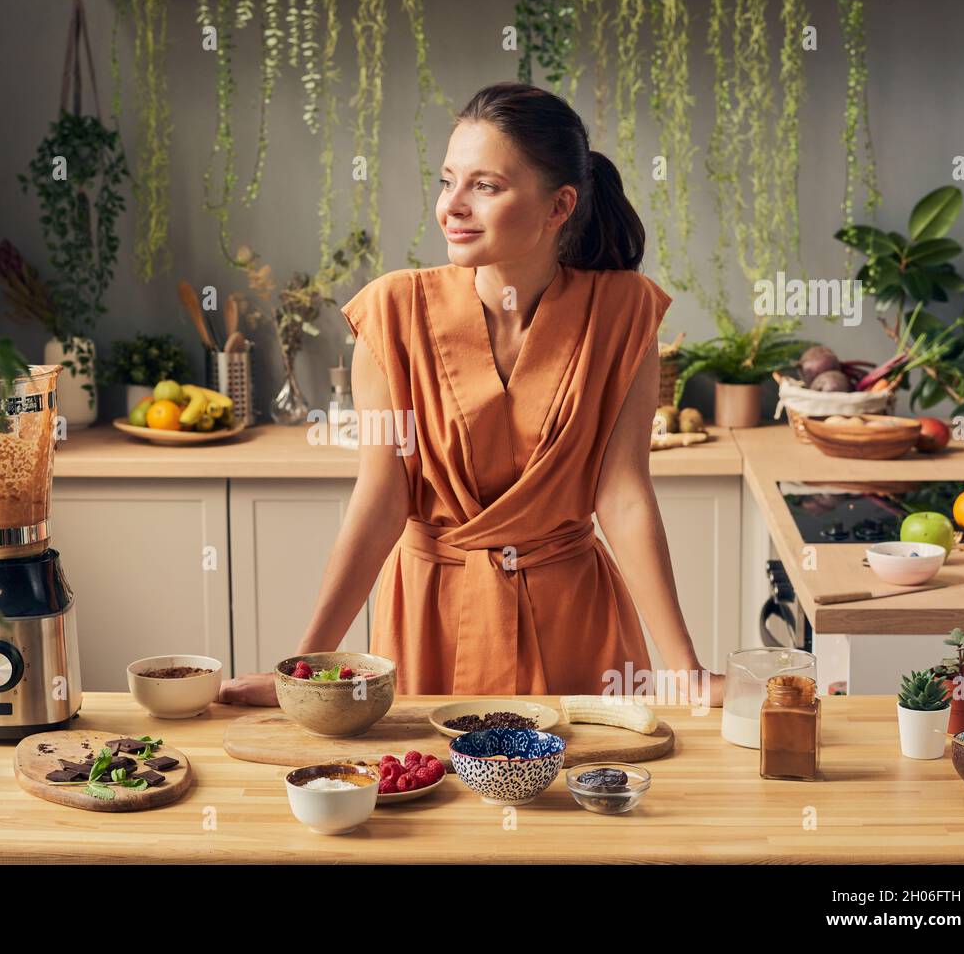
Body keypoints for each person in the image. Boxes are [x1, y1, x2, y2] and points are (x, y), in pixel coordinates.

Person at [220, 81, 723, 707]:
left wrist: (686, 671)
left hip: (577, 626)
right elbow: (381, 500)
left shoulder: (624, 315)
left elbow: (622, 495)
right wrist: (307, 672)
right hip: (433, 619)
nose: (452, 206)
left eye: (485, 186)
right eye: (447, 181)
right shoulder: (391, 314)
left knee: (589, 793)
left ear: (559, 206)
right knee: (430, 792)